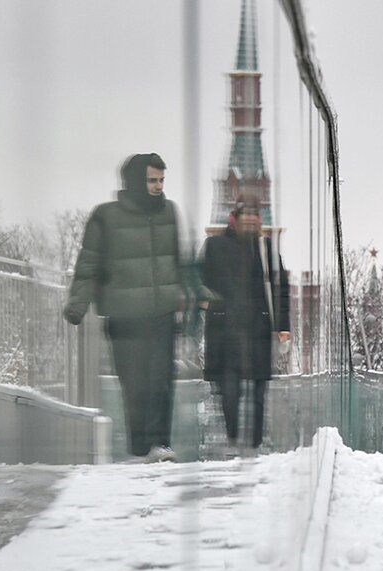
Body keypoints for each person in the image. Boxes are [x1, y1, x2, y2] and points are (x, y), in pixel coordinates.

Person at [64, 153, 201, 463]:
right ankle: (140, 448)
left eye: (162, 180)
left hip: (162, 313)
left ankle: (160, 444)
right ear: (136, 181)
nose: (158, 186)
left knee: (162, 381)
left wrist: (199, 295)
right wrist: (77, 305)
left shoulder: (169, 212)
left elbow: (182, 263)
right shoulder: (105, 216)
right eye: (152, 180)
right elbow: (88, 264)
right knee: (135, 384)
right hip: (124, 316)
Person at [200, 195, 291, 457]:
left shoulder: (266, 249)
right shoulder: (214, 246)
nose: (251, 219)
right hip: (224, 330)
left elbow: (280, 290)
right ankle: (233, 437)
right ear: (235, 218)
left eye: (255, 214)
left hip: (258, 329)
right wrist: (204, 300)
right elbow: (199, 279)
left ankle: (253, 444)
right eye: (246, 214)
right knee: (229, 390)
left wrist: (282, 325)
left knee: (258, 391)